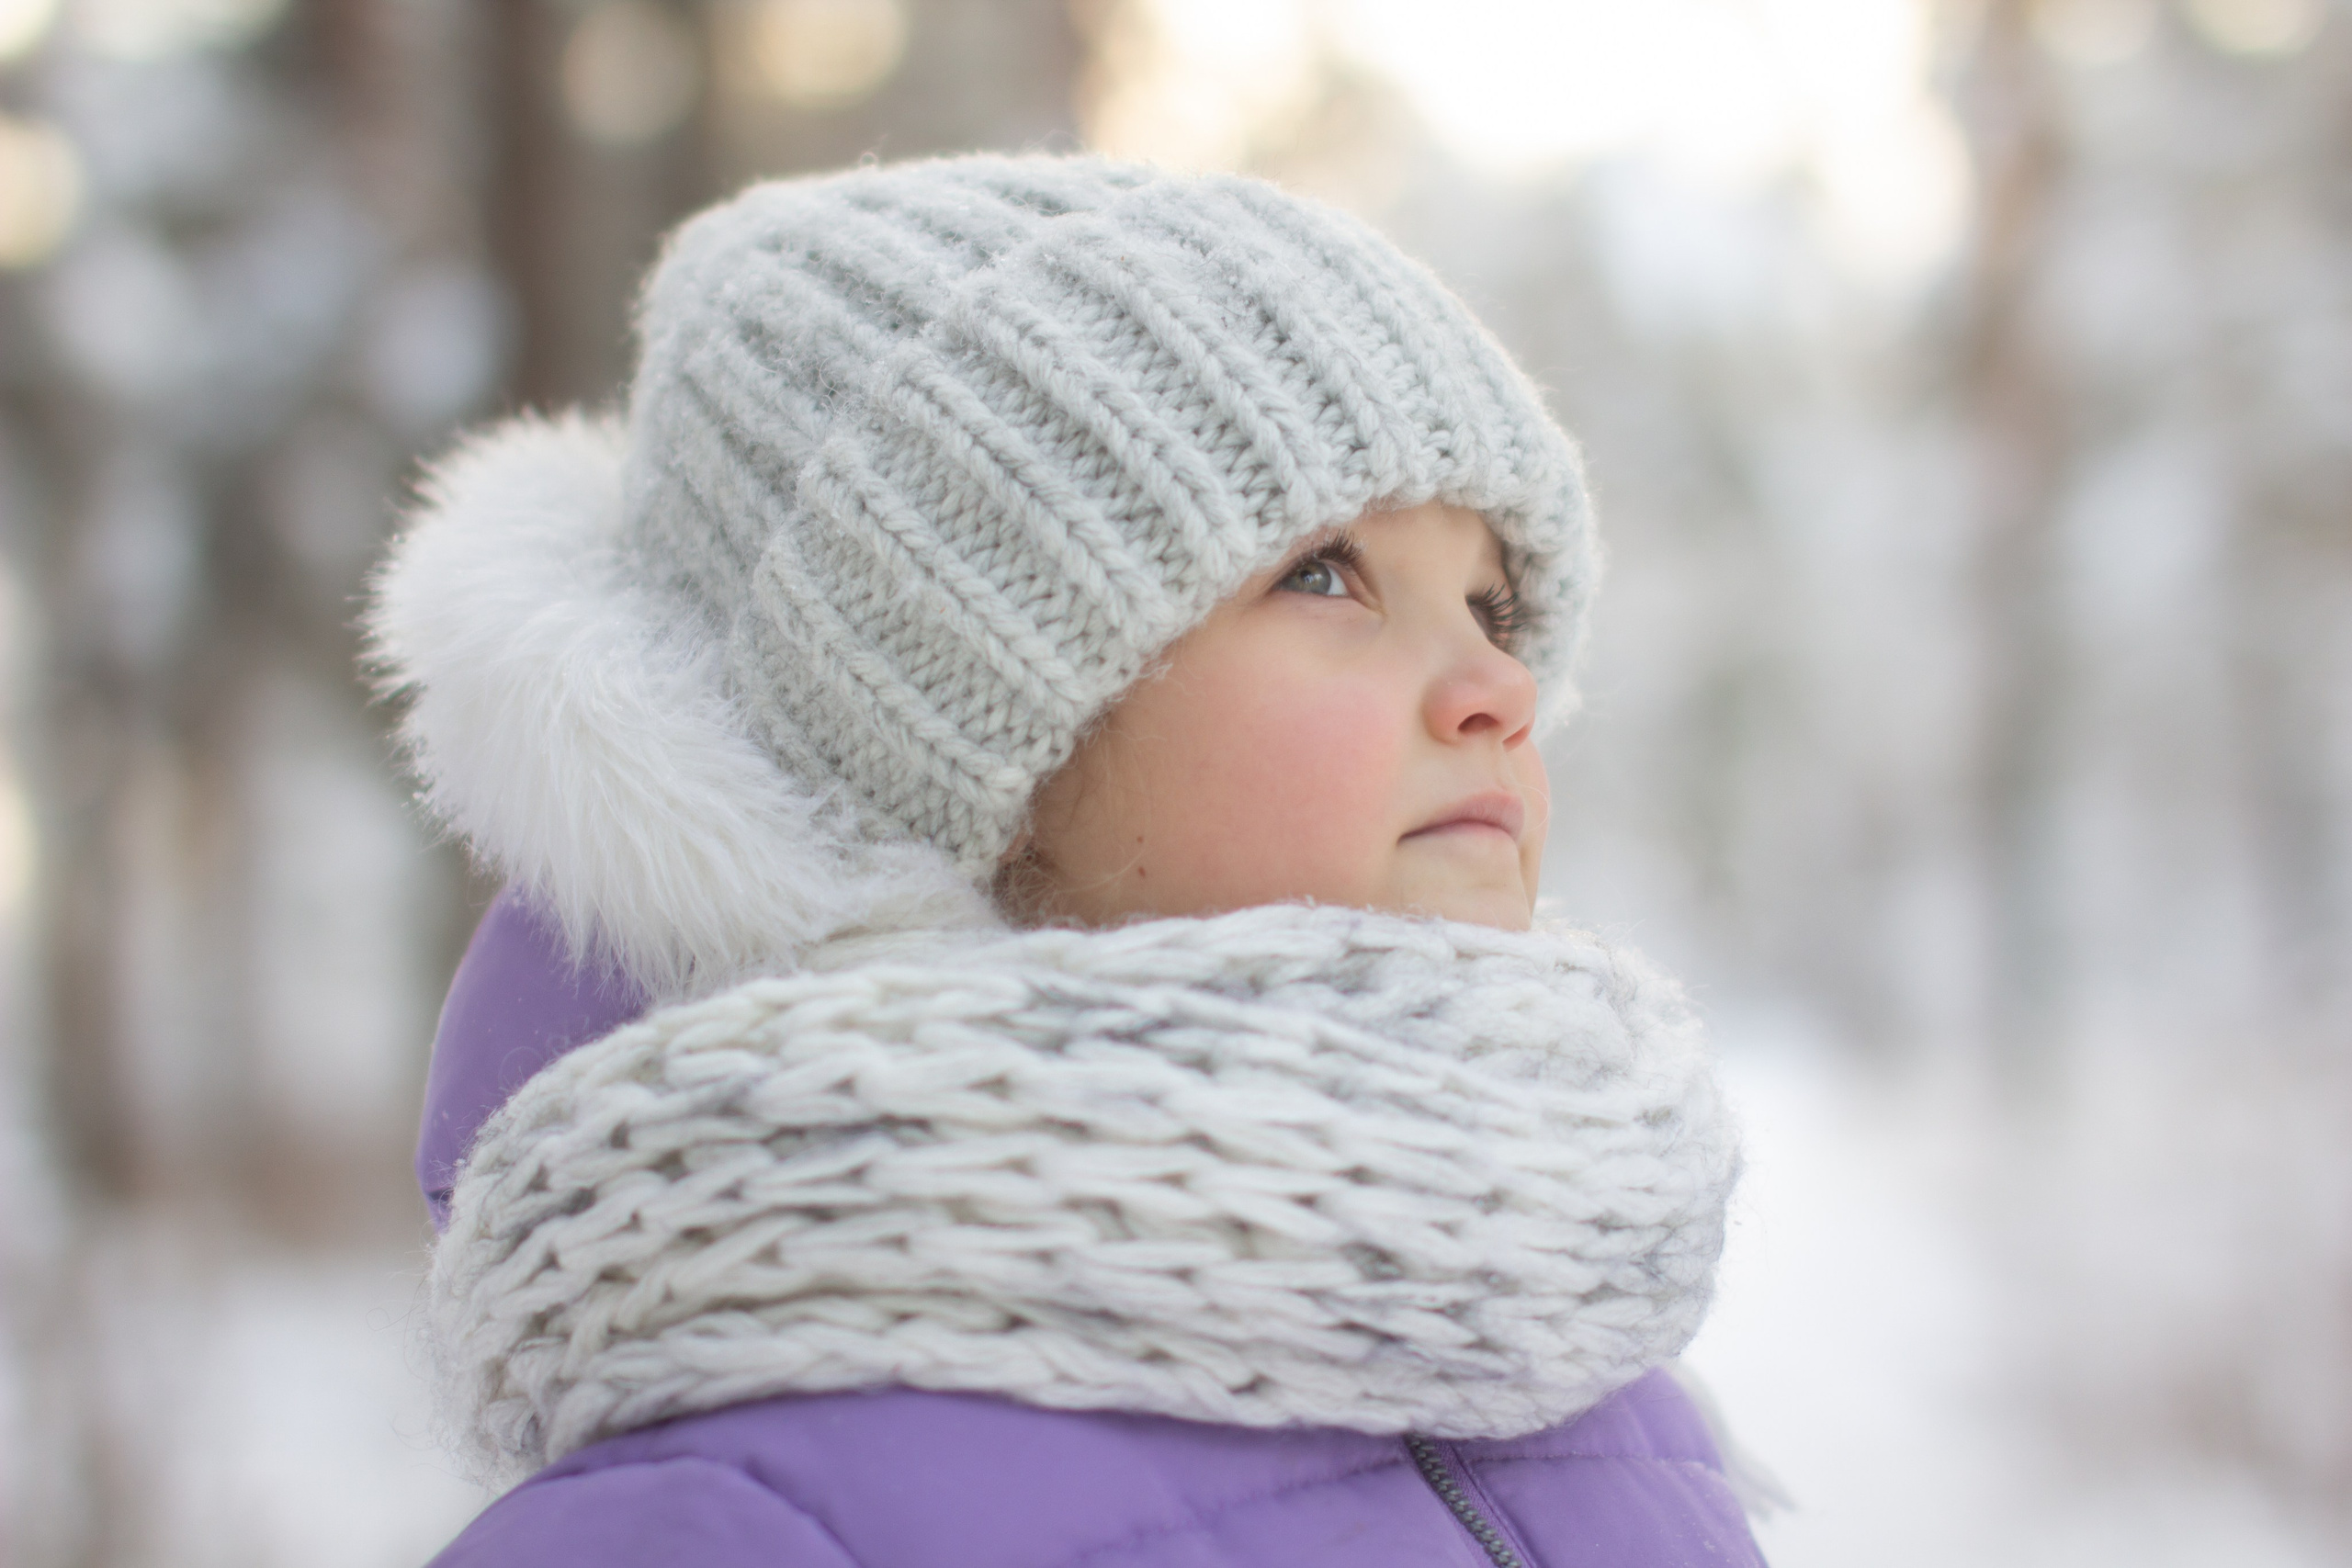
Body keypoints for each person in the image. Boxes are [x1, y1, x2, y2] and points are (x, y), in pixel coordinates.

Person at [371, 152, 1763, 1567]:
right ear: (962, 732)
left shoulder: (1598, 1400)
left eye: (1490, 604)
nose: (1503, 687)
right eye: (1324, 574)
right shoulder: (728, 1526)